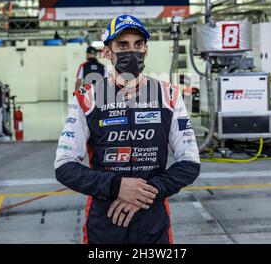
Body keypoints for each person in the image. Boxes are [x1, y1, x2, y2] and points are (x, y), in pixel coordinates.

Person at [54, 15, 200, 244]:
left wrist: (145, 192)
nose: (132, 51)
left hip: (153, 220)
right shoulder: (86, 99)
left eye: (138, 45)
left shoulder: (169, 96)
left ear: (146, 50)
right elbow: (64, 166)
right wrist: (117, 187)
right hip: (104, 221)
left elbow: (190, 162)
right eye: (123, 45)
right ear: (107, 52)